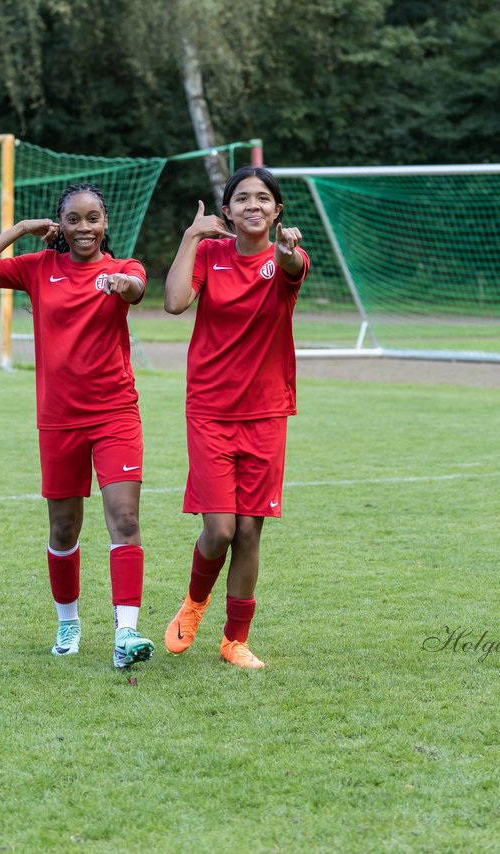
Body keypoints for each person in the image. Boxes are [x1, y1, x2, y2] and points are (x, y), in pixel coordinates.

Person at [0, 183, 156, 669]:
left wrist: (120, 286)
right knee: (64, 527)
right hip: (59, 420)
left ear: (105, 223)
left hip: (115, 414)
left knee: (125, 519)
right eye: (73, 219)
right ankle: (68, 622)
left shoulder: (122, 268)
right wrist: (23, 229)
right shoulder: (38, 267)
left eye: (93, 219)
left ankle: (125, 633)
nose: (84, 228)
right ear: (60, 225)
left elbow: (137, 288)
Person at [161, 166, 308, 669]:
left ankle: (234, 641)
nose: (253, 205)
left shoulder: (290, 257)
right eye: (242, 198)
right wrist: (189, 237)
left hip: (266, 413)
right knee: (220, 530)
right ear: (226, 211)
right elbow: (175, 302)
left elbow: (290, 268)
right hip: (209, 411)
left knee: (249, 532)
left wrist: (286, 254)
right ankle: (194, 603)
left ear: (277, 210)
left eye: (263, 198)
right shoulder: (209, 253)